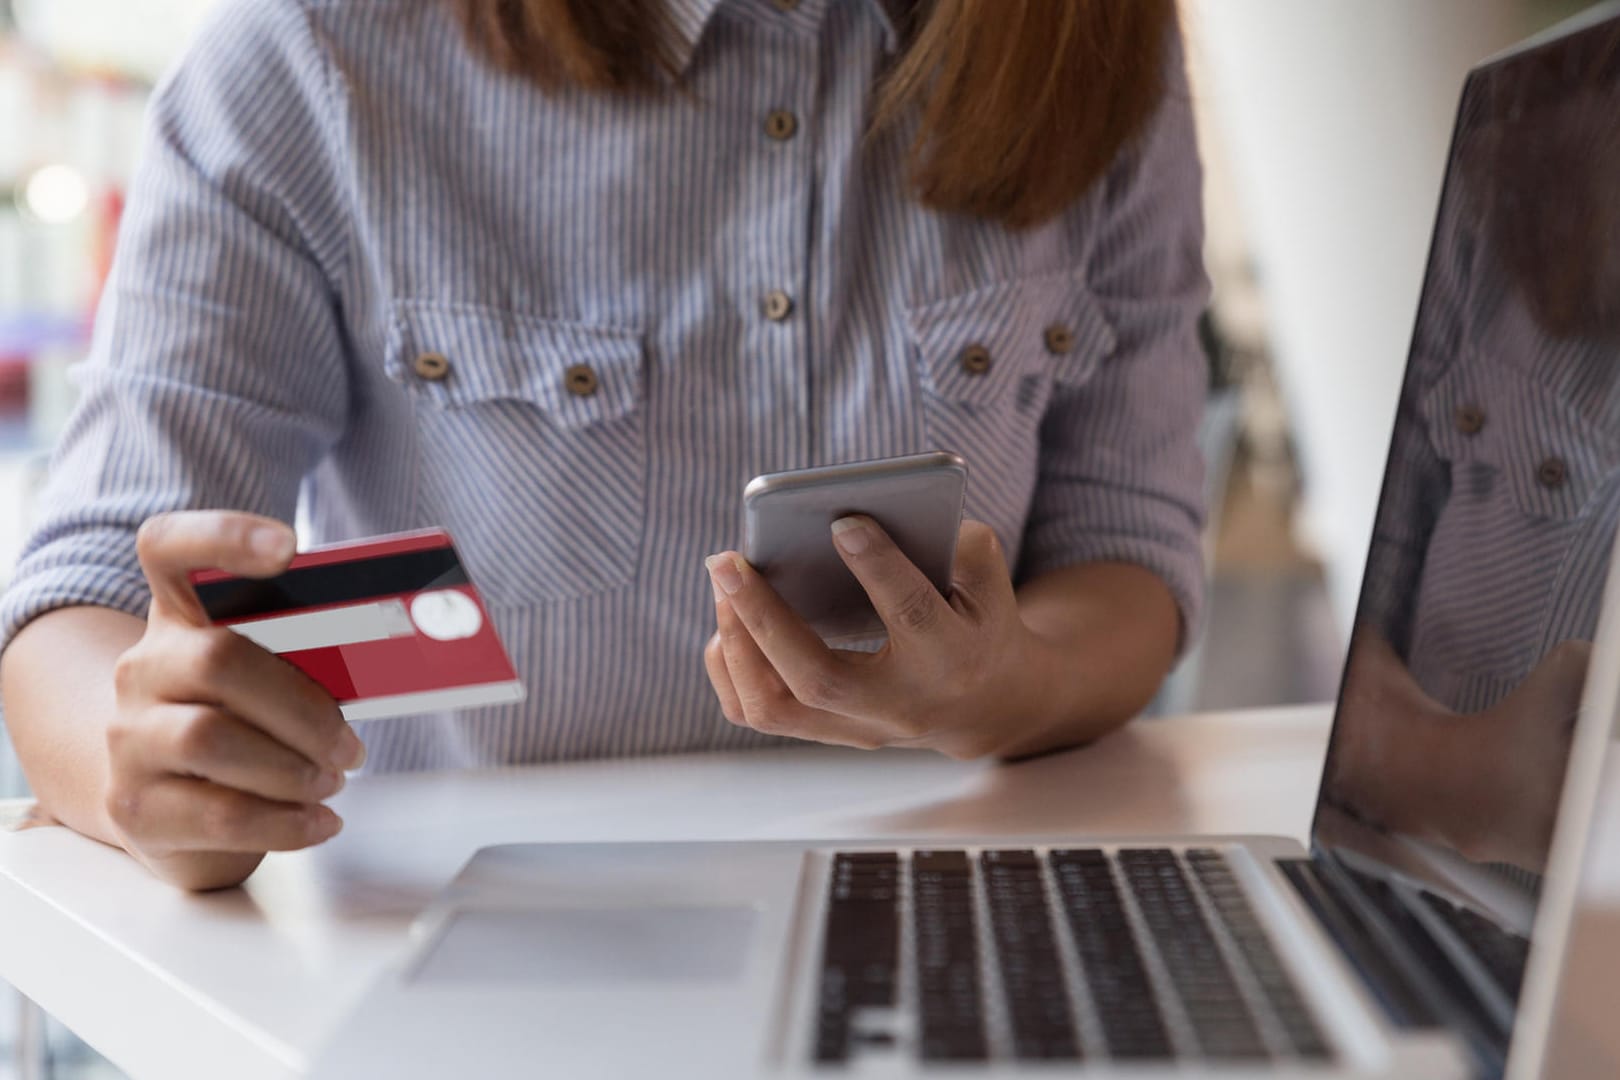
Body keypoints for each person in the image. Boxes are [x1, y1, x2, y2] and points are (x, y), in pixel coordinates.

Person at [0, 0, 1208, 890]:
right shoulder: (312, 59)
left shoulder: (1099, 53)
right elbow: (83, 603)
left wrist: (1011, 693)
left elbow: (1128, 550)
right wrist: (154, 760)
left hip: (960, 905)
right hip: (476, 938)